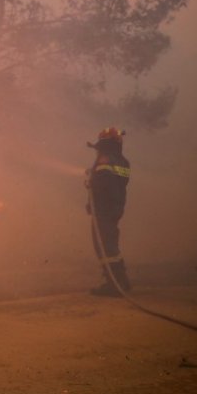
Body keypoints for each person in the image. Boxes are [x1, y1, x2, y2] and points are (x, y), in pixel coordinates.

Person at [84, 126, 131, 298]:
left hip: (104, 209)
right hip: (114, 207)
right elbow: (114, 183)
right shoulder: (122, 161)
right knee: (110, 244)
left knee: (104, 246)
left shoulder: (105, 159)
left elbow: (103, 184)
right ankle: (120, 282)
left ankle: (115, 285)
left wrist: (91, 184)